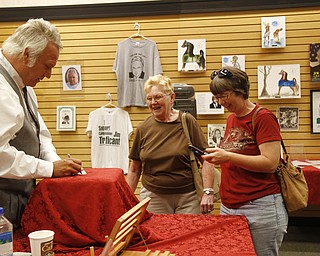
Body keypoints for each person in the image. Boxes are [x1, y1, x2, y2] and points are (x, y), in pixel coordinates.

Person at [0, 18, 82, 229]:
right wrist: (49, 169)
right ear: (27, 54)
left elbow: (40, 134)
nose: (48, 75)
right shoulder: (2, 90)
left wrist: (57, 164)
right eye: (47, 66)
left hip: (19, 200)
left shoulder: (25, 86)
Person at [202, 66, 288, 256]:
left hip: (260, 207)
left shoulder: (263, 117)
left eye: (224, 96)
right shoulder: (232, 118)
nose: (221, 102)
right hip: (230, 206)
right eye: (217, 97)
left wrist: (227, 156)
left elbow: (271, 162)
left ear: (240, 91)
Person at [126, 74, 215, 214]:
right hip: (153, 198)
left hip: (189, 198)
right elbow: (134, 169)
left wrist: (208, 192)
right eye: (149, 99)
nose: (153, 102)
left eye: (158, 97)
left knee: (189, 235)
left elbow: (207, 159)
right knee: (157, 235)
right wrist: (126, 199)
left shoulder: (187, 121)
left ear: (172, 98)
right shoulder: (143, 128)